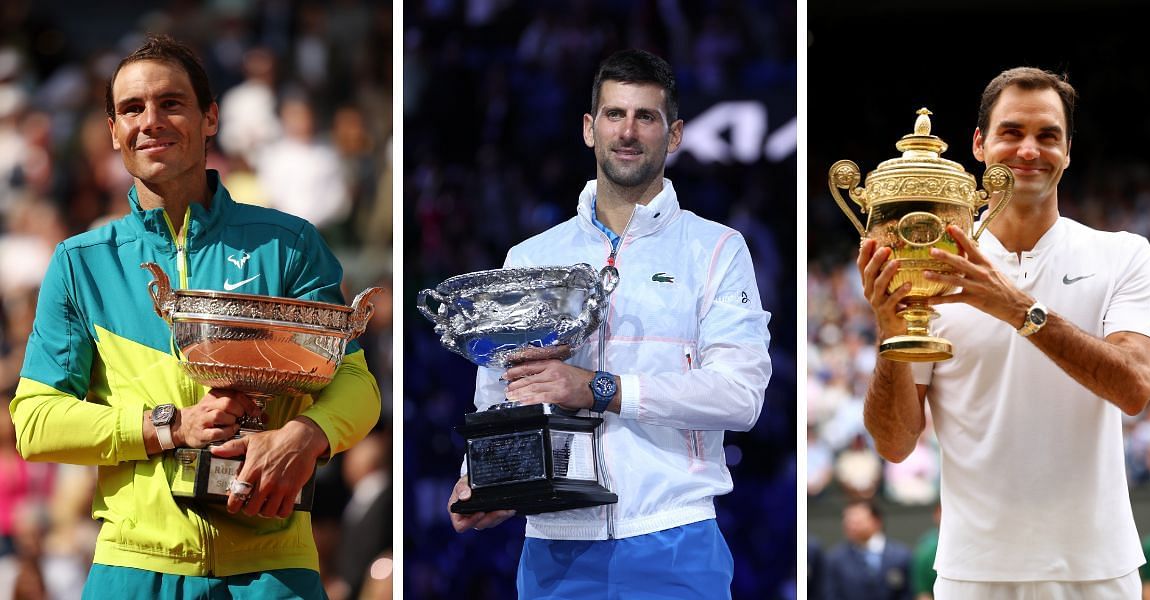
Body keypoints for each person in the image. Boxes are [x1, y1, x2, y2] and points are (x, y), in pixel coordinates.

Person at [9, 34, 380, 599]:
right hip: (135, 566)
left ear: (210, 118)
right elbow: (35, 421)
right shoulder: (81, 261)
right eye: (132, 109)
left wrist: (305, 437)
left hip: (274, 564)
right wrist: (169, 426)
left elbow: (356, 381)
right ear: (113, 132)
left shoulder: (288, 244)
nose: (151, 120)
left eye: (171, 103)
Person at [445, 48, 771, 598]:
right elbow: (498, 393)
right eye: (615, 115)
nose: (628, 131)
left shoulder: (716, 249)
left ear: (674, 135)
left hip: (674, 535)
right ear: (588, 129)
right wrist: (484, 473)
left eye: (646, 117)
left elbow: (741, 397)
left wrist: (600, 389)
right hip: (554, 545)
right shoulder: (530, 256)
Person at [858, 66, 1150, 598]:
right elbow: (896, 442)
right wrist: (890, 332)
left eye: (1048, 136)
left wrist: (1019, 309)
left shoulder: (1123, 254)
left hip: (1097, 568)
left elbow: (1134, 388)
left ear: (1068, 150)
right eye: (1011, 132)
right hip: (973, 572)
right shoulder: (927, 267)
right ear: (979, 143)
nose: (1028, 151)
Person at [821, 500, 912, 600]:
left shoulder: (901, 556)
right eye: (848, 522)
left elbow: (908, 593)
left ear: (877, 522)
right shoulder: (835, 559)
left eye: (857, 521)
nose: (851, 526)